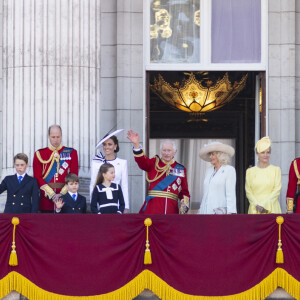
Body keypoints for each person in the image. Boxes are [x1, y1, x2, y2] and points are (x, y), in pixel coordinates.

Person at [127, 130, 190, 214]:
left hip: (171, 210)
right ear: (160, 151)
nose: (166, 153)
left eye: (169, 150)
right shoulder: (154, 163)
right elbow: (142, 162)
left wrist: (184, 205)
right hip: (153, 209)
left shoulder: (180, 169)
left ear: (175, 151)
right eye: (164, 150)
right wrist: (136, 145)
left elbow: (184, 192)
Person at [33, 125, 79, 213]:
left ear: (61, 136)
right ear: (48, 136)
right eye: (53, 137)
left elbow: (73, 176)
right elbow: (37, 177)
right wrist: (52, 195)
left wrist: (62, 194)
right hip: (46, 201)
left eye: (58, 137)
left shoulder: (71, 153)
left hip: (65, 198)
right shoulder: (40, 154)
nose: (56, 139)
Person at [90, 131, 129, 212]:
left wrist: (126, 207)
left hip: (117, 205)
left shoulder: (122, 163)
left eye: (110, 144)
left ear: (115, 146)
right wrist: (93, 205)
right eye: (104, 144)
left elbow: (124, 185)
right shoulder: (96, 162)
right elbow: (93, 183)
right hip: (101, 204)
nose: (106, 147)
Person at [198, 142, 236, 214]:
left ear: (220, 155)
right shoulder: (209, 170)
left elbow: (230, 194)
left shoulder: (229, 170)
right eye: (210, 154)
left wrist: (231, 213)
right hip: (205, 212)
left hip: (220, 213)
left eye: (213, 154)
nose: (210, 157)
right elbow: (205, 194)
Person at [246, 137, 282, 214]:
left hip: (272, 210)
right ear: (257, 154)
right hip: (255, 210)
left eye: (268, 152)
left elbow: (277, 190)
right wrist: (256, 205)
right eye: (262, 152)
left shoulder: (276, 170)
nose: (265, 155)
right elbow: (248, 191)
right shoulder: (250, 172)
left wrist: (265, 205)